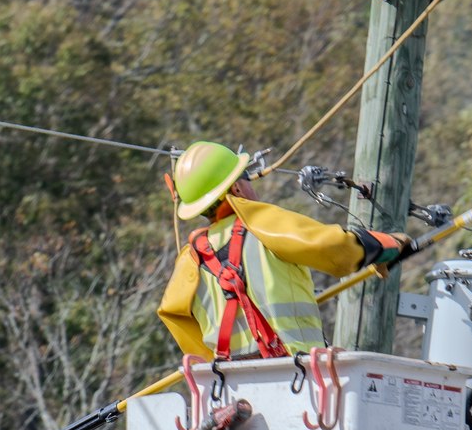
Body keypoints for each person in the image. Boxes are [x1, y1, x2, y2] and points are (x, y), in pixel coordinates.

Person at [157, 141, 411, 361]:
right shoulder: (260, 224)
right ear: (236, 188)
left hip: (231, 385)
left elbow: (173, 315)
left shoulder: (190, 259)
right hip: (294, 375)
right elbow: (332, 246)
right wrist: (384, 247)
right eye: (246, 177)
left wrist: (210, 361)